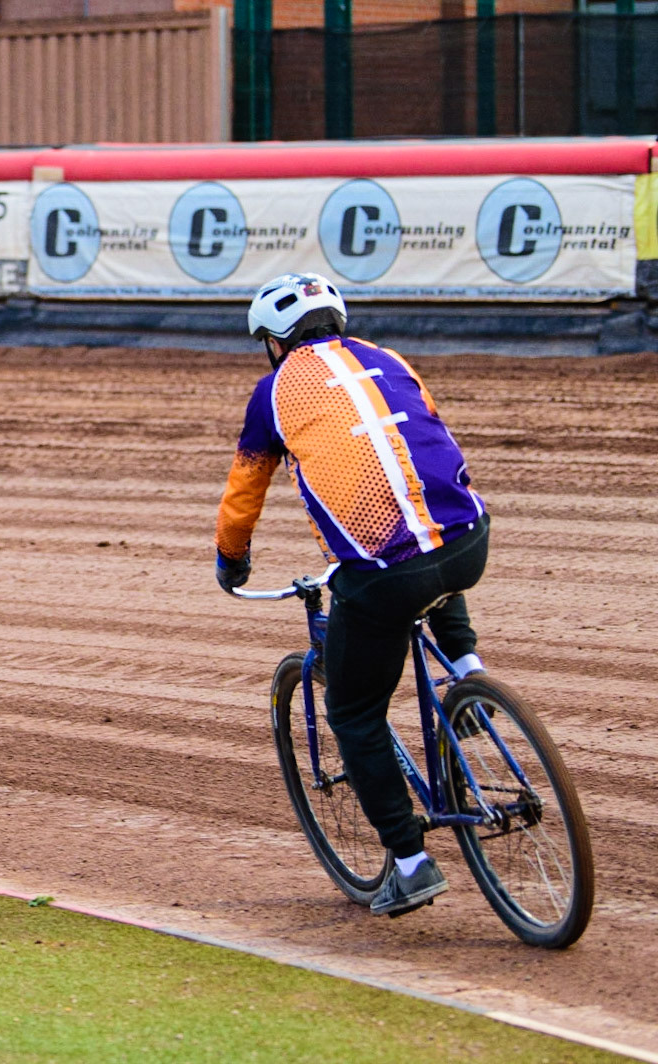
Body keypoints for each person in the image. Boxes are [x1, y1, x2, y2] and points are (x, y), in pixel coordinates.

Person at [214, 272, 490, 918]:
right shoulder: (388, 358)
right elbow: (429, 432)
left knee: (353, 712)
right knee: (432, 548)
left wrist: (231, 561)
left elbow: (243, 495)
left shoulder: (273, 393)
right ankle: (471, 673)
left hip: (382, 575)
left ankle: (411, 862)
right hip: (471, 536)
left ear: (275, 343)